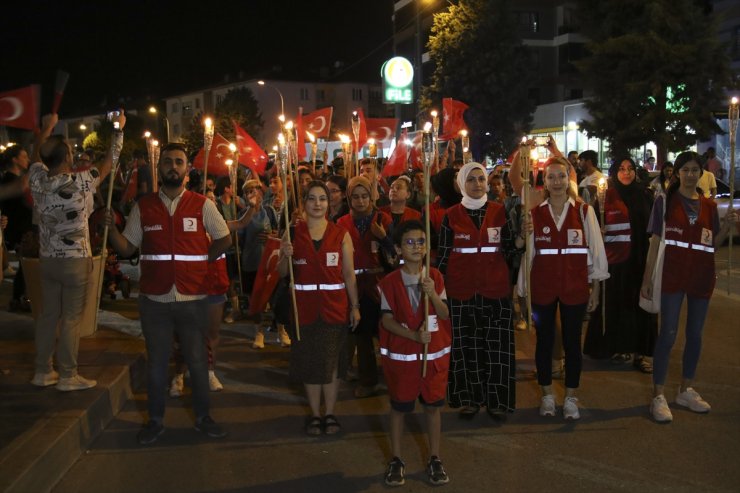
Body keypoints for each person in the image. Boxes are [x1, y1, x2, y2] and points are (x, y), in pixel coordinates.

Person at [106, 142, 233, 444]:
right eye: (167, 162)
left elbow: (224, 239)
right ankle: (155, 421)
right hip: (155, 301)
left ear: (188, 169)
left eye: (178, 162)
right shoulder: (144, 206)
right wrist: (111, 231)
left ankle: (204, 418)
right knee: (157, 364)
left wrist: (203, 262)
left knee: (198, 363)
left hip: (193, 300)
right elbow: (127, 248)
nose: (173, 167)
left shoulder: (203, 204)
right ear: (159, 168)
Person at [641, 152, 738, 423]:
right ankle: (658, 394)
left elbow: (711, 246)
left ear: (702, 174)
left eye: (696, 170)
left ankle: (686, 389)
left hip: (701, 277)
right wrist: (647, 279)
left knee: (695, 334)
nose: (691, 175)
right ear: (677, 174)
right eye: (686, 170)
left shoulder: (708, 206)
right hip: (672, 277)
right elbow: (655, 243)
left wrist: (727, 228)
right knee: (668, 334)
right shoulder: (665, 202)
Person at [28, 112, 120, 391]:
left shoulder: (38, 181)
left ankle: (43, 370)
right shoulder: (80, 181)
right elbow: (110, 161)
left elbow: (36, 155)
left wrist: (45, 129)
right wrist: (118, 131)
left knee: (47, 315)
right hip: (75, 261)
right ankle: (68, 374)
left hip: (47, 260)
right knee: (70, 318)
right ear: (68, 157)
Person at [518, 156, 608, 420]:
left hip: (575, 288)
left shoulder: (583, 211)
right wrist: (524, 293)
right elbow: (528, 256)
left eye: (561, 176)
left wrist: (597, 289)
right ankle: (547, 394)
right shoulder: (534, 215)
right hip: (543, 288)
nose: (556, 181)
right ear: (543, 181)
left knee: (572, 343)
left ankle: (570, 397)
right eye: (550, 177)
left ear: (569, 179)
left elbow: (597, 251)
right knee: (544, 343)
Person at [277, 180, 360, 435]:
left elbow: (349, 274)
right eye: (312, 199)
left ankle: (331, 413)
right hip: (304, 310)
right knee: (311, 363)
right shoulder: (291, 234)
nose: (317, 204)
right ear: (304, 203)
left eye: (322, 198)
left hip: (335, 309)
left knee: (332, 363)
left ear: (329, 203)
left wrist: (355, 306)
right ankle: (315, 414)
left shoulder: (341, 234)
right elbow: (282, 274)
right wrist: (285, 254)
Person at [437, 162, 516, 419]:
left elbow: (512, 250)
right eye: (471, 179)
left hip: (496, 292)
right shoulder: (450, 215)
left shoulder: (500, 212)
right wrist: (438, 293)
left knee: (497, 348)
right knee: (466, 348)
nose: (477, 184)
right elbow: (443, 257)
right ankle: (469, 398)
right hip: (461, 293)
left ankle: (497, 401)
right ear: (461, 183)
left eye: (481, 178)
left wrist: (522, 240)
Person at [379, 220, 451, 487]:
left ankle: (435, 457)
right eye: (409, 242)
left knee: (433, 407)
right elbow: (387, 320)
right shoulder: (389, 282)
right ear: (398, 248)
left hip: (432, 360)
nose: (416, 247)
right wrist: (413, 336)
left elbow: (444, 313)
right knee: (399, 409)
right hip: (404, 359)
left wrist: (432, 294)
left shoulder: (435, 277)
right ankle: (396, 458)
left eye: (421, 241)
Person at [583, 158, 657, 372]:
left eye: (630, 169)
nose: (626, 173)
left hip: (640, 260)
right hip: (615, 262)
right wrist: (600, 231)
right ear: (615, 172)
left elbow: (653, 228)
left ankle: (642, 352)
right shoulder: (605, 197)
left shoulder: (645, 195)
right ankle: (617, 346)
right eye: (621, 169)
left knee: (641, 306)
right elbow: (594, 225)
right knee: (617, 305)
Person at [337, 176, 393, 398]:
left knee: (386, 333)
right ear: (349, 198)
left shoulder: (383, 219)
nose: (360, 201)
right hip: (354, 286)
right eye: (356, 197)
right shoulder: (341, 223)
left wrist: (384, 237)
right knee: (361, 336)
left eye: (365, 196)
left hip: (379, 285)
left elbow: (395, 252)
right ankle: (368, 381)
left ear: (372, 196)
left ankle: (394, 378)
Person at [238, 179, 284, 348]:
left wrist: (272, 235)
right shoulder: (242, 215)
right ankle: (258, 333)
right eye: (249, 190)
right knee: (255, 299)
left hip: (269, 262)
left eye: (256, 189)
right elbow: (239, 238)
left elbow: (278, 233)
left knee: (274, 298)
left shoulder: (270, 211)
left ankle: (281, 330)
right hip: (251, 261)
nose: (253, 193)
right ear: (244, 195)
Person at [0, 144, 33, 312]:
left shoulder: (16, 179)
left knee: (25, 265)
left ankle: (19, 297)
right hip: (16, 229)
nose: (27, 159)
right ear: (14, 159)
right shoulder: (10, 180)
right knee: (26, 264)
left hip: (21, 228)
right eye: (24, 156)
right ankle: (19, 298)